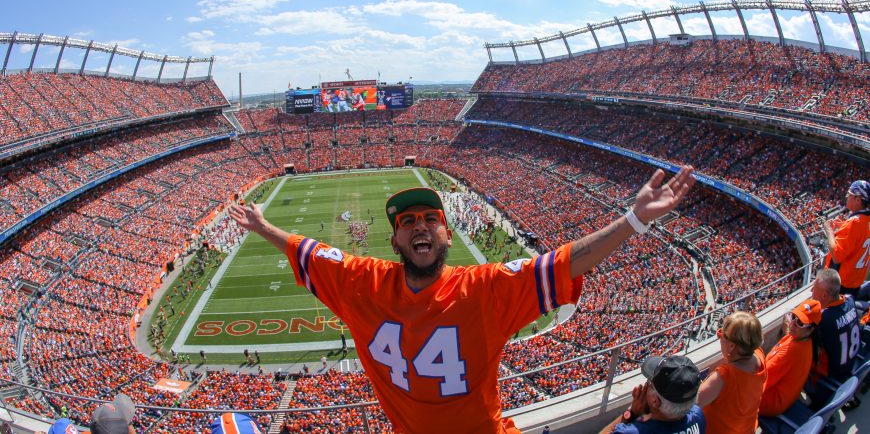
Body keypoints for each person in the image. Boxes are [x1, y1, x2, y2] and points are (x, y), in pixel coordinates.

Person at [229, 166, 695, 434]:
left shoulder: (483, 289)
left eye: (430, 218)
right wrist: (264, 227)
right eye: (407, 221)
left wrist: (633, 221)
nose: (419, 225)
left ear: (446, 234)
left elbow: (566, 262)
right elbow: (308, 250)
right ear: (394, 240)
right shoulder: (362, 282)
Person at [697, 311, 766, 434]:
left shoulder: (724, 375)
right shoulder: (759, 355)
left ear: (731, 346)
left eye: (721, 335)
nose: (719, 339)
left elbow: (689, 405)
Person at [600, 355, 704, 434]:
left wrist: (631, 413)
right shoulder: (698, 416)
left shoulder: (632, 432)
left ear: (655, 401)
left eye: (649, 383)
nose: (646, 385)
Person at [759, 299, 821, 416]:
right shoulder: (803, 340)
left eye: (800, 323)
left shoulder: (791, 352)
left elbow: (761, 382)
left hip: (772, 402)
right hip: (786, 395)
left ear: (811, 329)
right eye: (793, 317)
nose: (793, 324)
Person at [810, 269, 860, 382]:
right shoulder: (850, 301)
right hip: (852, 363)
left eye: (814, 288)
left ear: (824, 295)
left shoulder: (824, 318)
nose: (811, 290)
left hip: (831, 374)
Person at [823, 180, 870, 297]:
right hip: (855, 280)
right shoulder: (864, 220)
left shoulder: (854, 223)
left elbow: (836, 256)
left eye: (849, 194)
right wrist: (844, 225)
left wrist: (829, 231)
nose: (846, 196)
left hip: (841, 284)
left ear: (858, 199)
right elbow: (860, 236)